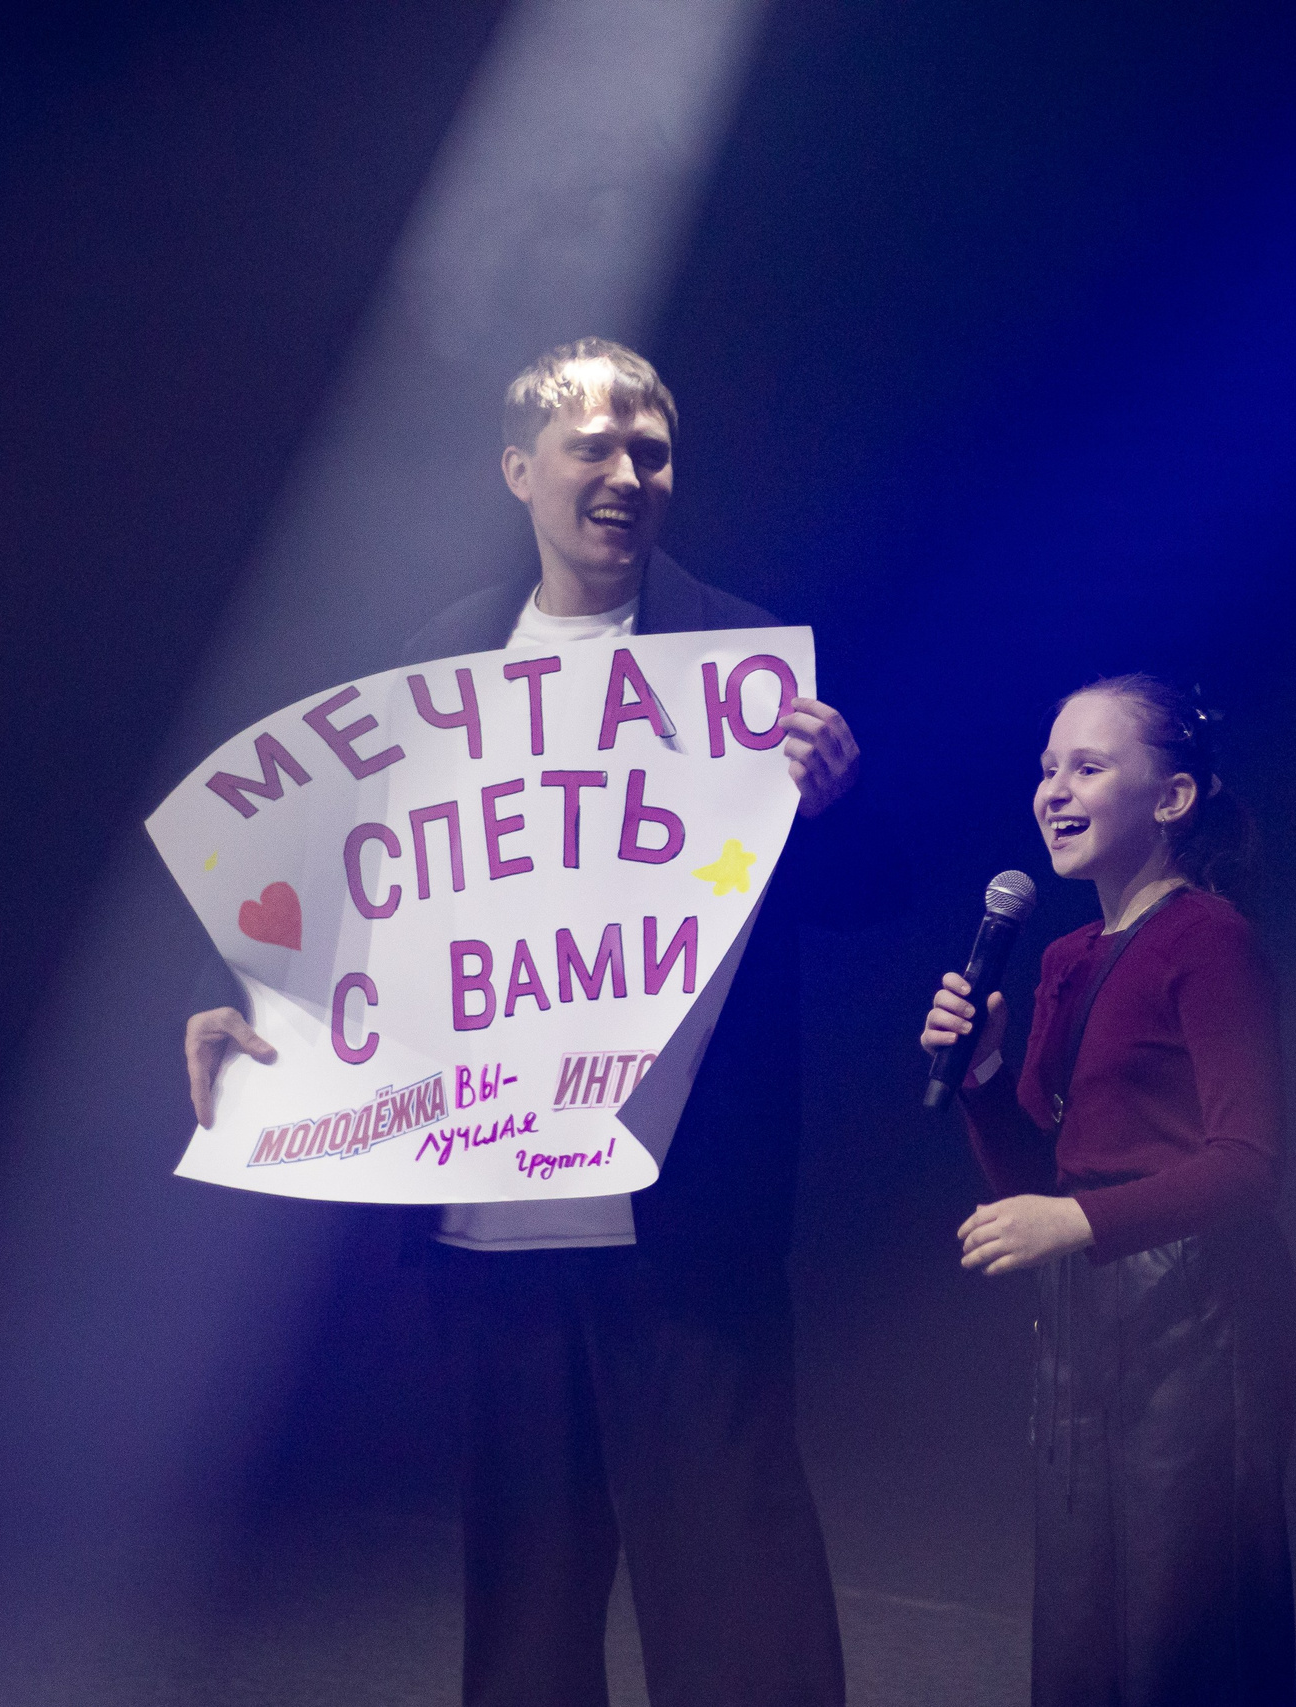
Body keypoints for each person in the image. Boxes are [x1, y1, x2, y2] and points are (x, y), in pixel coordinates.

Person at [181, 338, 896, 1707]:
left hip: (683, 1221)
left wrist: (842, 806)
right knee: (525, 1614)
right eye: (594, 446)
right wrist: (241, 1004)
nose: (628, 473)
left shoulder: (742, 665)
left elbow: (871, 899)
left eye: (653, 450)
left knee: (741, 1596)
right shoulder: (435, 659)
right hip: (491, 1226)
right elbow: (357, 891)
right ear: (521, 469)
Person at [920, 675, 1296, 1707]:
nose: (1053, 789)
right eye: (1047, 769)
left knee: (1184, 1642)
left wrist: (1077, 1221)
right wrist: (986, 1080)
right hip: (1082, 1325)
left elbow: (1247, 1162)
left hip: (1200, 1321)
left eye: (1087, 767)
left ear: (1171, 799)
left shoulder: (1207, 938)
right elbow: (1045, 1180)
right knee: (1084, 1640)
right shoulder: (1061, 958)